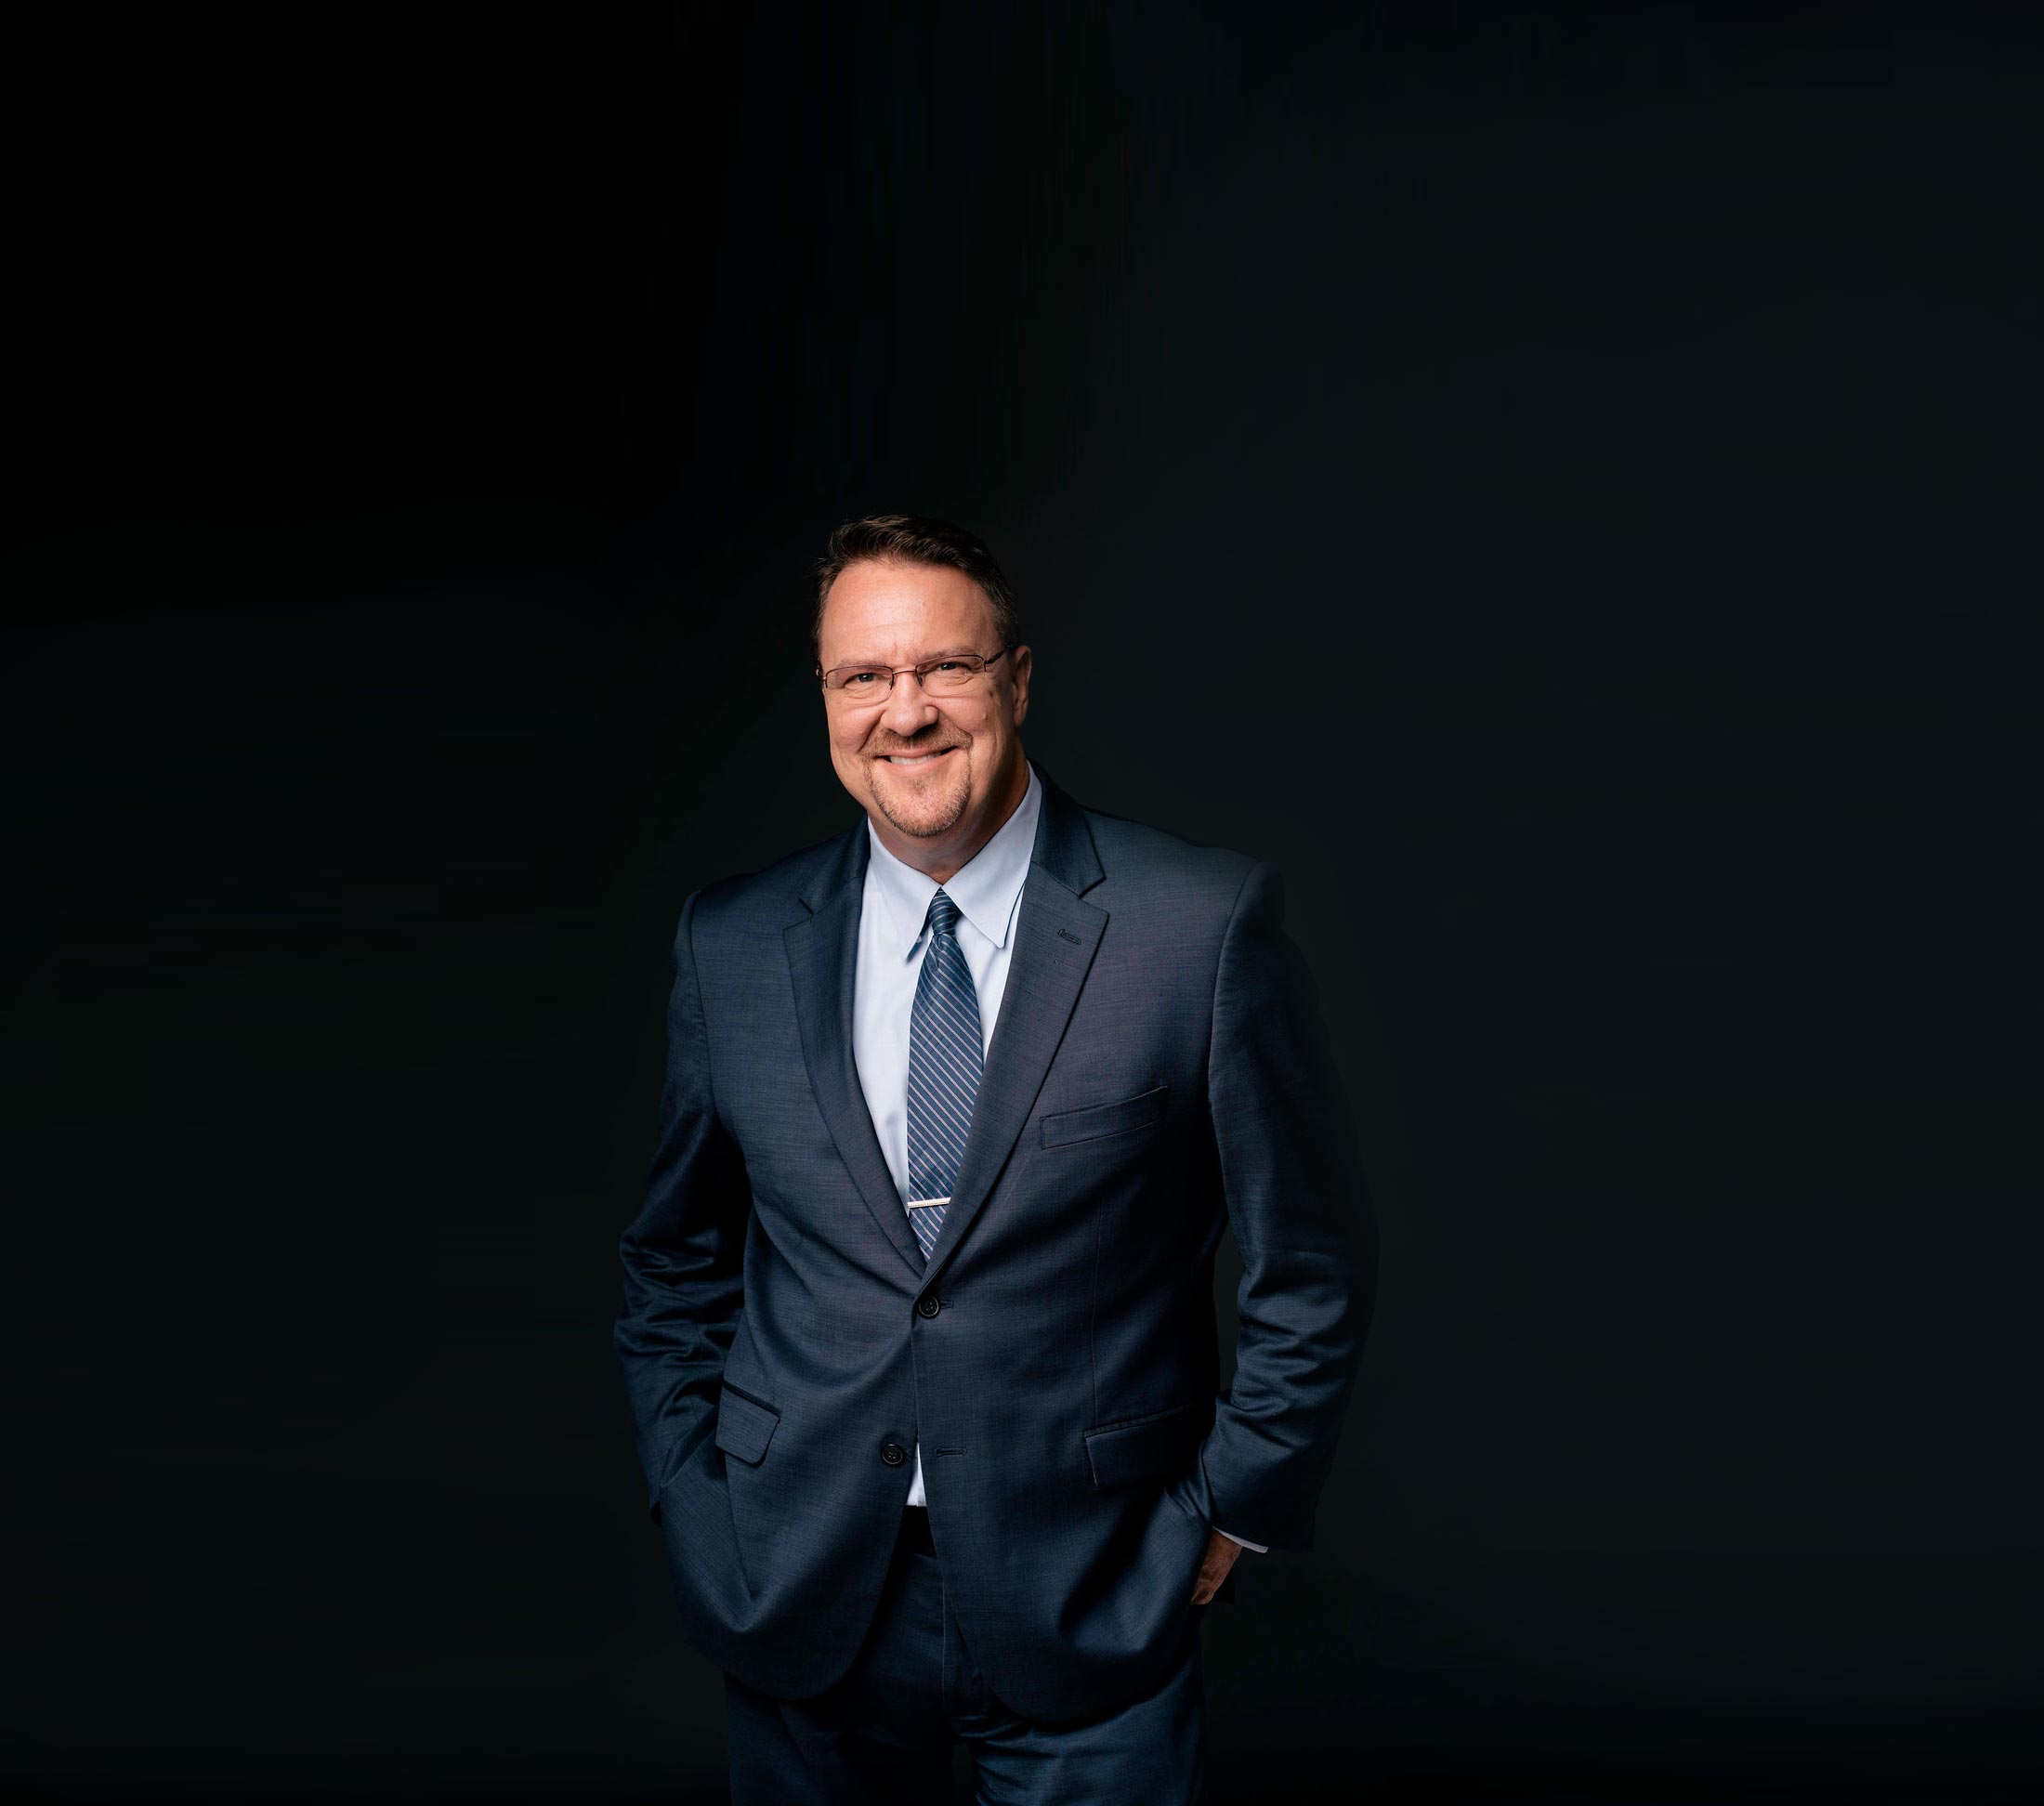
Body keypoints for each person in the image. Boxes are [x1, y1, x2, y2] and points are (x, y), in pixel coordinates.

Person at [614, 513, 1377, 1802]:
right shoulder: (730, 943)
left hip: (1095, 1589)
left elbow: (1312, 1253)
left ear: (1016, 680)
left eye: (945, 668)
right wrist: (696, 1496)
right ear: (825, 698)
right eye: (864, 676)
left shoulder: (1197, 925)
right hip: (796, 1586)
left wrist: (1240, 1500)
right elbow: (672, 1259)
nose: (904, 712)